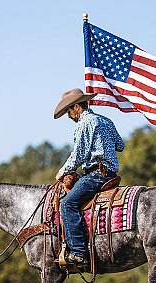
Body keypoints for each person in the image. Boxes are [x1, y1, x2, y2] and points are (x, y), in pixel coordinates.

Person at [53, 88, 125, 264]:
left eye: (69, 111)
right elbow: (120, 145)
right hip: (111, 173)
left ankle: (78, 252)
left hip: (96, 175)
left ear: (76, 106)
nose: (69, 116)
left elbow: (79, 155)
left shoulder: (85, 123)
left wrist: (61, 172)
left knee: (67, 204)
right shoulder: (105, 121)